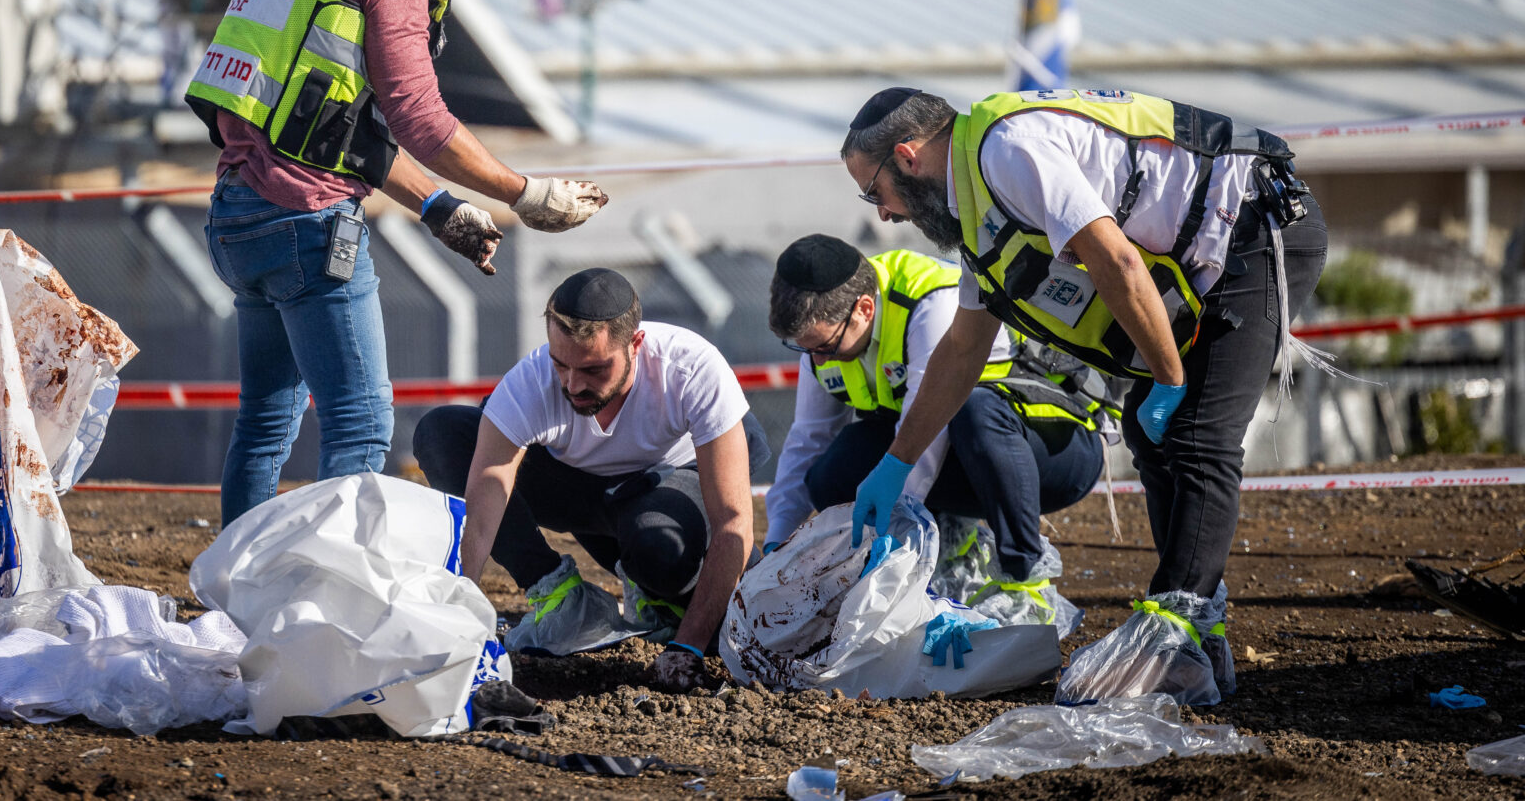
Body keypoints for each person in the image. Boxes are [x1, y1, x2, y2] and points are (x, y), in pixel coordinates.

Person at [186, 0, 609, 525]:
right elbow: (418, 116)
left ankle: (235, 594)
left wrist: (437, 205)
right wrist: (524, 193)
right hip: (308, 228)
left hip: (238, 217)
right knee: (360, 425)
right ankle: (328, 599)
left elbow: (320, 124)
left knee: (264, 426)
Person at [840, 85, 1327, 700]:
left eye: (872, 190)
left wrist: (1170, 379)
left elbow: (1116, 261)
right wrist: (896, 462)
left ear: (908, 156)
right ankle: (1196, 635)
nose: (881, 213)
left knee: (1196, 434)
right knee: (1152, 436)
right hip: (1216, 250)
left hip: (1257, 228)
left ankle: (1173, 630)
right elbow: (962, 352)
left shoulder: (1006, 150)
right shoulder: (980, 205)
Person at [413, 268, 758, 691]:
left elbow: (733, 521)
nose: (574, 384)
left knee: (667, 554)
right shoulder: (532, 382)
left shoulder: (691, 367)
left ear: (636, 343)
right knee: (443, 431)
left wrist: (687, 649)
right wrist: (450, 619)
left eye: (594, 369)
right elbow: (480, 519)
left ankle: (660, 599)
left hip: (670, 492)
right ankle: (562, 600)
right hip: (586, 494)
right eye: (562, 364)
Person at [763, 234, 1106, 623]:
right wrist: (777, 543)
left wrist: (899, 536)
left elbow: (926, 424)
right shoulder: (825, 341)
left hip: (1056, 450)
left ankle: (1025, 582)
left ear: (863, 308)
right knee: (833, 471)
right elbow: (807, 441)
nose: (817, 359)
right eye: (805, 349)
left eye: (824, 346)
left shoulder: (932, 302)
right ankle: (955, 551)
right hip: (967, 459)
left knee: (971, 409)